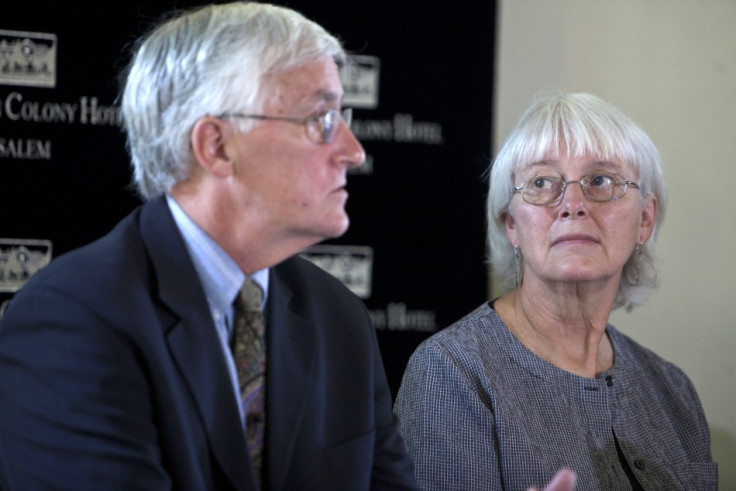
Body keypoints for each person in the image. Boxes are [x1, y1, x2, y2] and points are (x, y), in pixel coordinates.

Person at [0, 3, 417, 490]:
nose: (353, 150)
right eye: (320, 119)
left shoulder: (337, 317)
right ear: (216, 146)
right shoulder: (74, 320)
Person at [394, 92, 717, 490]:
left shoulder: (674, 391)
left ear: (645, 220)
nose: (572, 204)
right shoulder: (452, 372)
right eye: (542, 182)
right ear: (511, 224)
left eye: (601, 180)